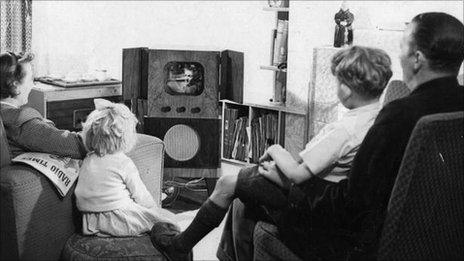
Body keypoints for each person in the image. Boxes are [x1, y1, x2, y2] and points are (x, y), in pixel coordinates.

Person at [219, 12, 464, 261]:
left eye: (402, 47)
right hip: (432, 242)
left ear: (417, 59)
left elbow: (351, 206)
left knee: (249, 202)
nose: (399, 55)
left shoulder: (400, 115)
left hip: (355, 246)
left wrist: (291, 185)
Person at [150, 45, 394, 260]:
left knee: (227, 183)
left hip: (309, 197)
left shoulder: (344, 128)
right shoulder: (377, 116)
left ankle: (179, 247)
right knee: (242, 188)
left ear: (347, 89)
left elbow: (298, 174)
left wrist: (275, 149)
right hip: (324, 196)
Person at [74, 99, 177, 237]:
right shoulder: (123, 162)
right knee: (168, 222)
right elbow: (140, 194)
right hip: (120, 220)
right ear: (126, 137)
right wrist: (154, 210)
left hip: (90, 222)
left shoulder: (88, 159)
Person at [0, 51, 86, 159]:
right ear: (15, 85)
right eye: (31, 79)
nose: (32, 85)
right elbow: (77, 145)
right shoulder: (21, 122)